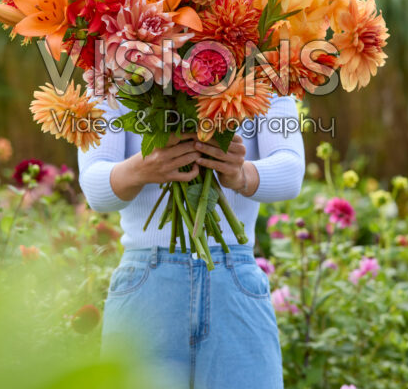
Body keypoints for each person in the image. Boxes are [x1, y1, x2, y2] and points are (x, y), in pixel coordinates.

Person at [78, 93, 305, 389]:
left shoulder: (264, 69)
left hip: (233, 282)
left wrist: (240, 173)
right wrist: (143, 167)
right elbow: (95, 189)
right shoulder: (110, 69)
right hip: (148, 286)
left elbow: (290, 172)